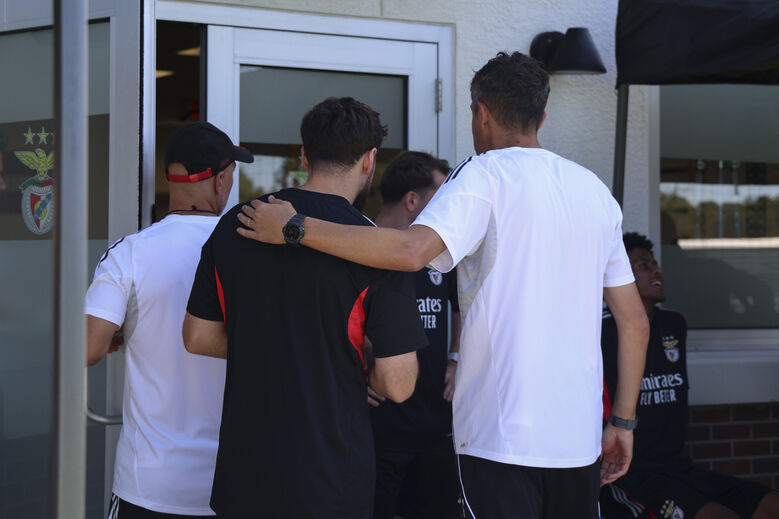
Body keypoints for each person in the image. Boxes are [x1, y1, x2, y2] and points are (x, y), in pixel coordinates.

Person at [235, 51, 650, 519]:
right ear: (542, 116)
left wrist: (295, 228)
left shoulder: (484, 174)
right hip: (578, 439)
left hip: (499, 436)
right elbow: (634, 321)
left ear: (482, 113)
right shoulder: (593, 190)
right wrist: (623, 422)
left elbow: (411, 251)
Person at [182, 97, 427, 519]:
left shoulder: (236, 225)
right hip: (329, 479)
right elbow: (398, 384)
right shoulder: (377, 250)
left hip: (244, 476)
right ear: (370, 161)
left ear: (303, 155)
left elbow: (198, 336)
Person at [85, 121, 251, 518]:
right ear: (221, 181)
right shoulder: (254, 254)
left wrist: (116, 332)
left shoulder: (129, 253)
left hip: (149, 484)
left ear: (169, 178)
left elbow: (86, 350)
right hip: (235, 481)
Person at [600, 232, 779, 519]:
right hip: (633, 476)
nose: (657, 270)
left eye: (655, 263)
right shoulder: (600, 332)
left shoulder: (674, 325)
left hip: (680, 468)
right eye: (644, 265)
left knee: (771, 505)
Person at [370, 151, 462, 519]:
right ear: (412, 200)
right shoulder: (358, 246)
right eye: (441, 198)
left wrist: (456, 356)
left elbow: (460, 305)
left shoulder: (442, 252)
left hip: (435, 427)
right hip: (377, 431)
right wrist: (349, 374)